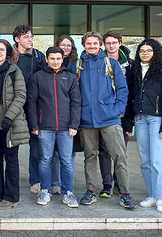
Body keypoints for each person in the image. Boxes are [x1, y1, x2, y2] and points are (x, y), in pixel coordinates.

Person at [68, 31, 135, 209]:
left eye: (95, 43)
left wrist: (117, 110)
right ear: (84, 45)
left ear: (100, 45)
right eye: (88, 43)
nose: (92, 46)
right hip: (87, 121)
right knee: (90, 157)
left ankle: (125, 193)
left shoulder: (111, 63)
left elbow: (122, 90)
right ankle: (91, 191)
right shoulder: (76, 65)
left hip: (110, 119)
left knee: (119, 156)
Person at [123, 39, 162, 213]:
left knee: (157, 161)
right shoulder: (135, 71)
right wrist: (129, 122)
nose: (144, 53)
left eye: (148, 50)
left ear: (156, 53)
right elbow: (130, 98)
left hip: (157, 120)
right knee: (145, 160)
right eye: (142, 51)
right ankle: (152, 195)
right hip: (140, 119)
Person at [28, 47, 81, 208]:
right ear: (46, 59)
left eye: (58, 58)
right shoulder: (38, 77)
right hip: (44, 126)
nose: (55, 61)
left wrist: (74, 124)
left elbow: (76, 102)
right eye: (52, 59)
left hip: (66, 128)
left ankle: (68, 193)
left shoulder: (70, 77)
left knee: (66, 161)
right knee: (45, 160)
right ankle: (44, 190)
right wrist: (34, 124)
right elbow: (31, 102)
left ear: (62, 59)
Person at [0, 39, 29, 210]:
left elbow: (21, 95)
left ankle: (11, 197)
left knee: (11, 161)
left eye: (2, 50)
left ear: (8, 53)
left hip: (10, 125)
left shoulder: (15, 71)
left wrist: (9, 117)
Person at [98, 30, 134, 198]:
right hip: (104, 114)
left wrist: (128, 121)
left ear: (120, 43)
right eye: (108, 43)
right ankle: (107, 185)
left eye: (114, 43)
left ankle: (119, 185)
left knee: (120, 152)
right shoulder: (99, 61)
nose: (111, 46)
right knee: (104, 151)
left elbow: (131, 93)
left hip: (123, 115)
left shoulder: (131, 65)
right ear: (104, 45)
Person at [12, 25, 45, 194]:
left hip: (33, 106)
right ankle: (9, 180)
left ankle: (36, 181)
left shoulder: (39, 56)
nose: (30, 39)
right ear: (17, 39)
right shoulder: (10, 55)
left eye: (31, 36)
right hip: (13, 106)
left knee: (36, 147)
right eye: (26, 37)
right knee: (10, 146)